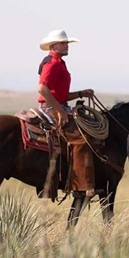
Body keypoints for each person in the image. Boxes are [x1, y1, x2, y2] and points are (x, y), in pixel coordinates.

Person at [37, 29, 96, 198]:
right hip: (52, 108)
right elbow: (42, 88)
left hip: (58, 104)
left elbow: (59, 94)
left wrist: (80, 94)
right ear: (54, 45)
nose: (67, 46)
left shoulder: (59, 62)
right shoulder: (52, 63)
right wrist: (59, 110)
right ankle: (81, 186)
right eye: (64, 43)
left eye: (67, 43)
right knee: (81, 138)